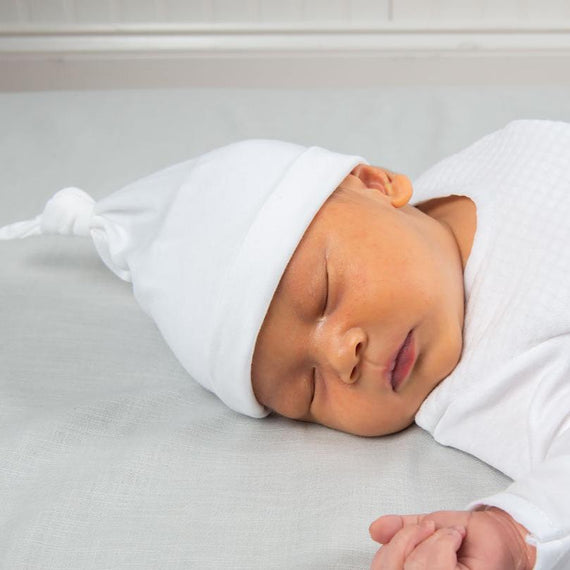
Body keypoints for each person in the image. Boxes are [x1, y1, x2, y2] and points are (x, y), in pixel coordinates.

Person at [1, 120, 569, 569]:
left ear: (375, 184)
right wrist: (516, 532)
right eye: (309, 390)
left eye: (325, 292)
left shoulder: (490, 162)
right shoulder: (491, 390)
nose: (341, 357)